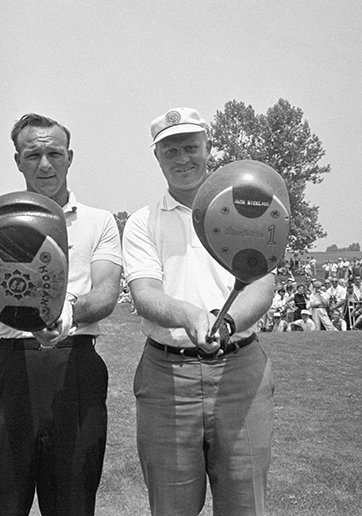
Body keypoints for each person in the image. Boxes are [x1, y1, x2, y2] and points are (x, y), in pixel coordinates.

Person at [123, 107, 275, 516]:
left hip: (240, 370)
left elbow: (262, 283)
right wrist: (190, 316)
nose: (182, 158)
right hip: (167, 377)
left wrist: (225, 322)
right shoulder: (142, 222)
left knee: (246, 506)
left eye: (191, 147)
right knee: (172, 508)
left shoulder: (249, 210)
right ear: (157, 157)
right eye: (170, 150)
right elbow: (145, 292)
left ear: (208, 147)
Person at [0, 113, 123, 516]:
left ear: (70, 156)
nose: (45, 164)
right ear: (17, 160)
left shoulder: (99, 222)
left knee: (72, 504)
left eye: (54, 153)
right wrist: (31, 321)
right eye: (33, 154)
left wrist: (64, 315)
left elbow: (106, 293)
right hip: (6, 367)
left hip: (76, 365)